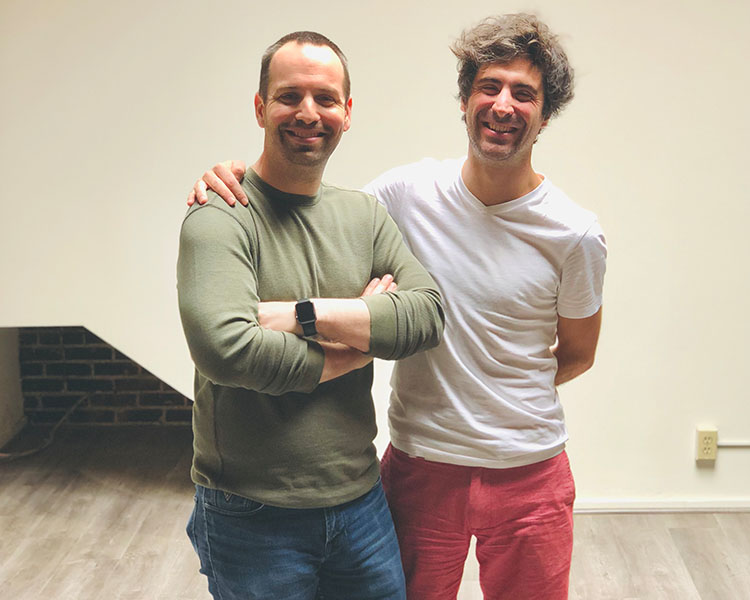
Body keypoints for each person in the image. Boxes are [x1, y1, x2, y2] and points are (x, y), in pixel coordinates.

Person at [189, 14, 606, 600]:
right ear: (464, 101)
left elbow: (577, 353)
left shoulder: (575, 232)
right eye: (489, 86)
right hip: (420, 466)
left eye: (524, 93)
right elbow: (306, 200)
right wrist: (229, 175)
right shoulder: (404, 195)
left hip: (530, 472)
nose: (503, 105)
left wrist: (501, 386)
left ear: (545, 113)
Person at [177, 30, 444, 600]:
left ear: (347, 113)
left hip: (362, 502)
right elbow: (226, 350)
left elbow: (425, 315)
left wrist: (303, 315)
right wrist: (360, 341)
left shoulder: (364, 215)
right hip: (251, 513)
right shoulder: (221, 214)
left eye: (325, 98)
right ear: (260, 108)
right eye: (289, 96)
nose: (307, 113)